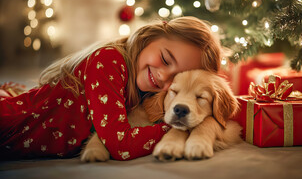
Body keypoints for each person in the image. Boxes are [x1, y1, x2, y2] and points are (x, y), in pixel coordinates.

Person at [0, 16, 222, 160]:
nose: (163, 75)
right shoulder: (109, 60)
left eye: (175, 78)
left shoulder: (146, 89)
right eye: (165, 58)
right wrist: (182, 127)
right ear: (151, 36)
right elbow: (120, 144)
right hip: (10, 126)